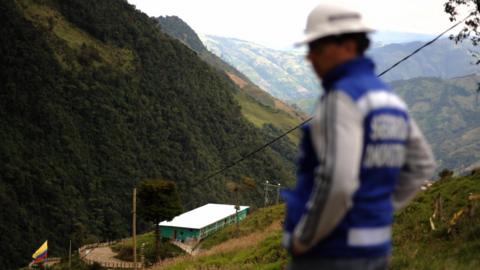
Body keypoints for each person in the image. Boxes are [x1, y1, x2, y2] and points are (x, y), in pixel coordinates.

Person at [281, 4, 436, 270]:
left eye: (316, 47)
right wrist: (375, 211)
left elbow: (339, 182)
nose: (310, 58)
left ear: (348, 45)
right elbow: (422, 165)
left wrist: (302, 240)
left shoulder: (342, 98)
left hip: (329, 252)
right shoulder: (386, 97)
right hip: (375, 251)